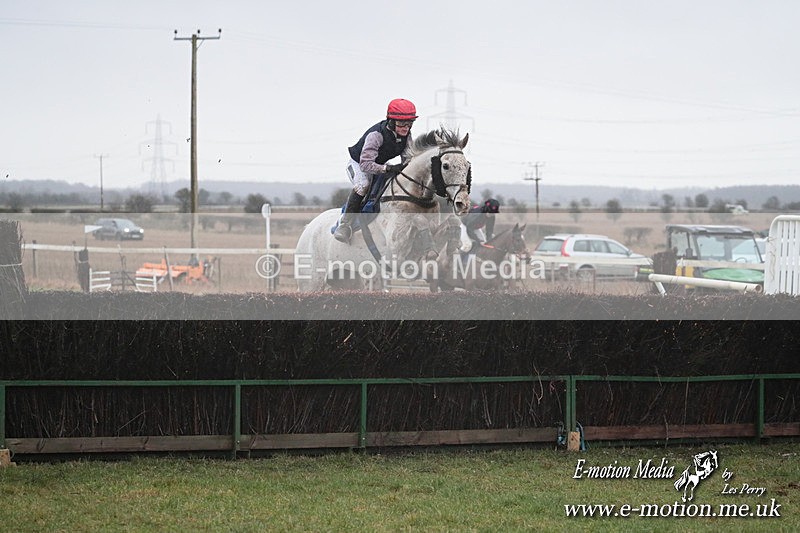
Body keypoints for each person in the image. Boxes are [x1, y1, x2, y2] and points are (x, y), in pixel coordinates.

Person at [333, 98, 418, 244]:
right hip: (358, 163)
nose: (406, 127)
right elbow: (366, 165)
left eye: (409, 123)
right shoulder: (376, 135)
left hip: (379, 163)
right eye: (402, 123)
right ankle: (345, 224)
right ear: (391, 121)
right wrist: (388, 168)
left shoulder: (407, 136)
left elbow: (407, 160)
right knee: (363, 186)